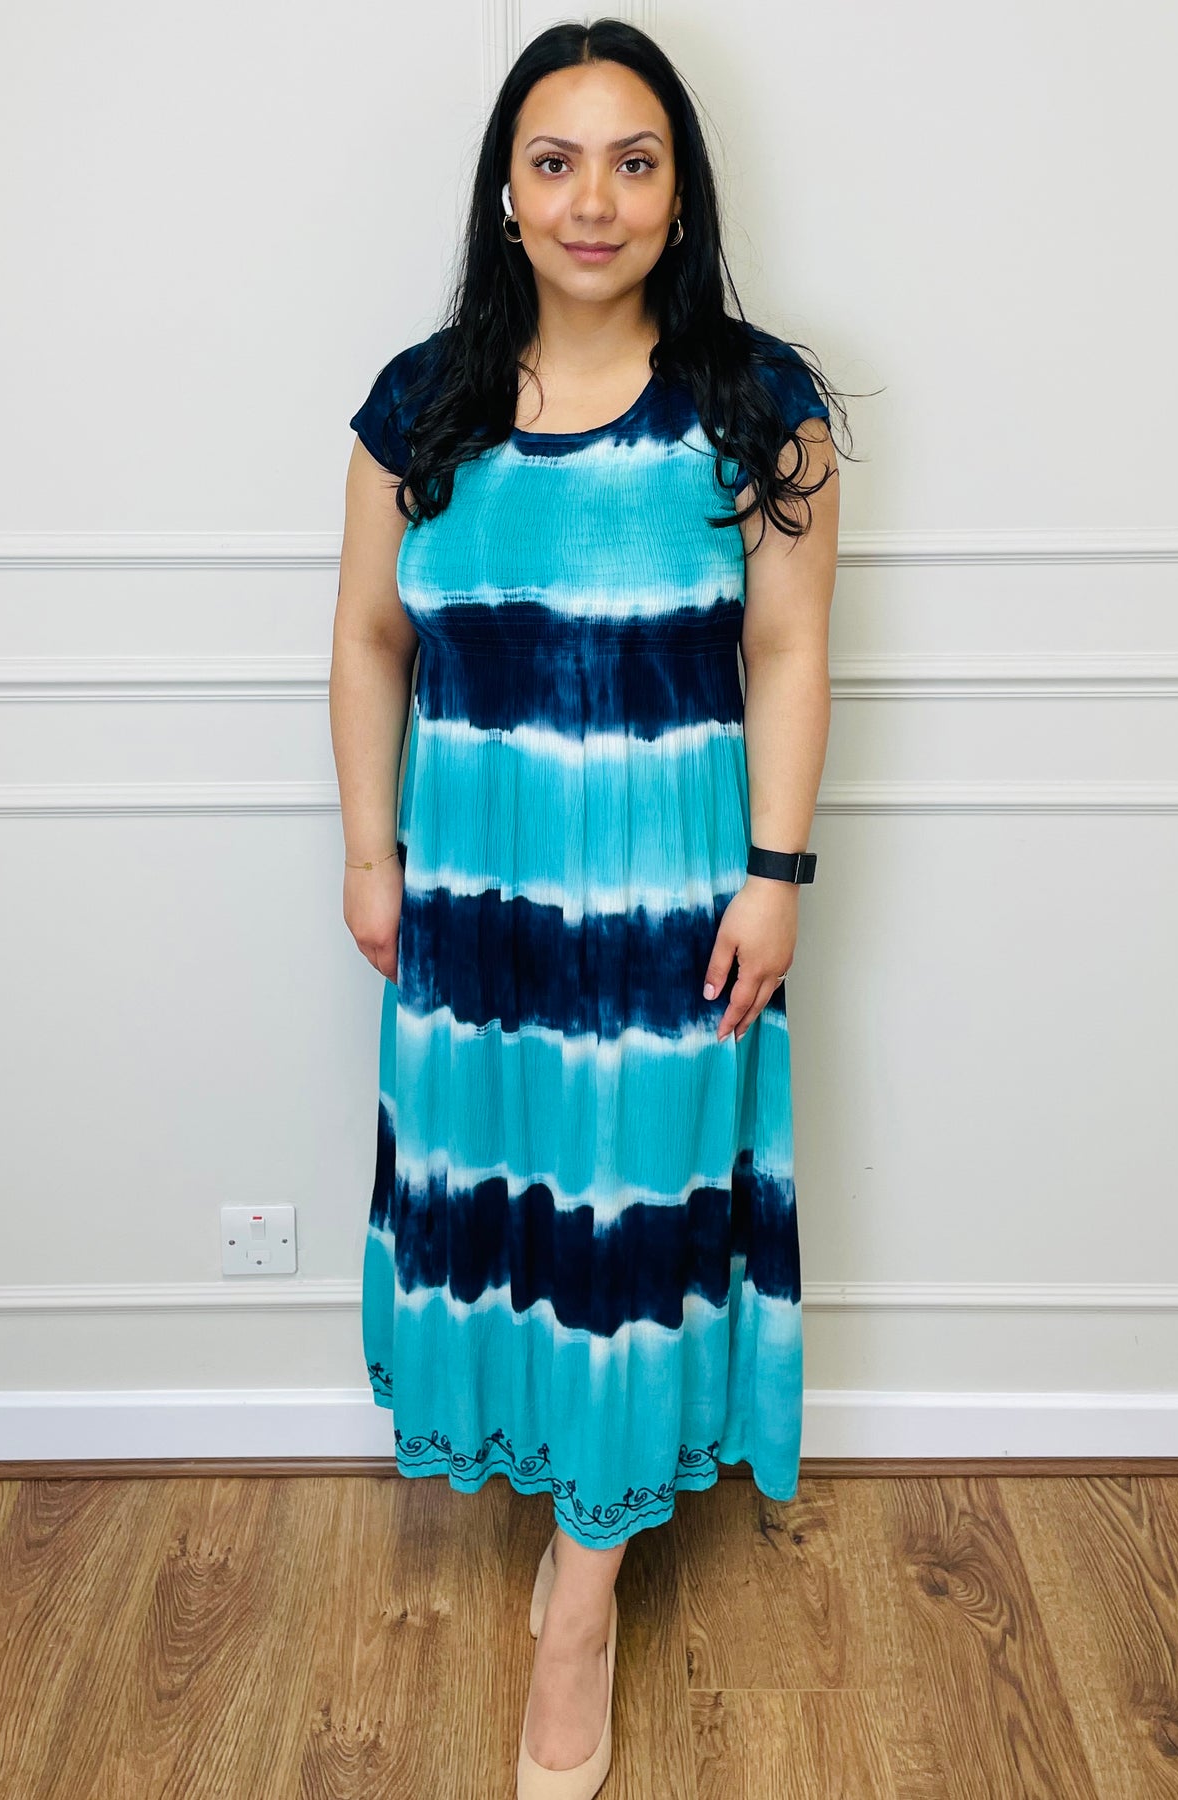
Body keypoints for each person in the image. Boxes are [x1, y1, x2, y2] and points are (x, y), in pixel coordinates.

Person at [331, 17, 845, 1797]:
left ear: (678, 192)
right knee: (509, 1212)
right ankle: (559, 1507)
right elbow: (368, 638)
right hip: (474, 915)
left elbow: (787, 651)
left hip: (669, 916)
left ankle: (582, 1605)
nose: (593, 199)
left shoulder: (759, 404)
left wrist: (775, 877)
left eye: (634, 161)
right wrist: (371, 855)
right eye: (555, 163)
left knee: (626, 1237)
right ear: (505, 191)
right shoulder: (419, 405)